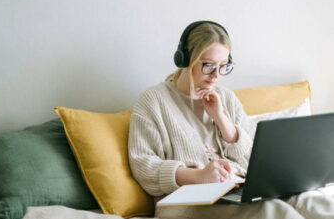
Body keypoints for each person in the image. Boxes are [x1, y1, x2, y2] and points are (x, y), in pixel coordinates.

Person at [128, 20, 334, 219]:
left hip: (235, 190)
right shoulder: (153, 100)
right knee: (274, 211)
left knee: (311, 201)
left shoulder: (225, 97)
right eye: (208, 65)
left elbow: (256, 161)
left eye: (224, 66)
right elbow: (144, 167)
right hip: (182, 202)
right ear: (185, 59)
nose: (216, 76)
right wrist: (198, 176)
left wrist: (222, 120)